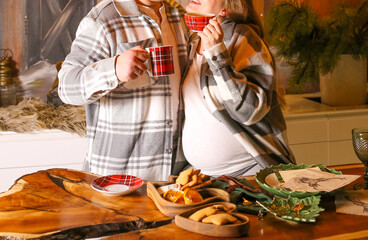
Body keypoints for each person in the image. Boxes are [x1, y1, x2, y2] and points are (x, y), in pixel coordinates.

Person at [58, 0, 192, 181]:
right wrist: (113, 69)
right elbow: (66, 87)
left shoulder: (178, 18)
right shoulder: (102, 21)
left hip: (175, 176)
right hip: (119, 180)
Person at [179, 0, 296, 177]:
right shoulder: (193, 40)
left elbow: (250, 111)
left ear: (226, 8)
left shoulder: (243, 38)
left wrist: (218, 55)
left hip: (251, 175)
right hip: (204, 177)